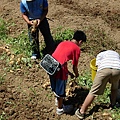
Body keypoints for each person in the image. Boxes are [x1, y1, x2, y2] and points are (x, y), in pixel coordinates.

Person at [49, 30, 87, 115]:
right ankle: (60, 109)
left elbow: (61, 58)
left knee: (55, 86)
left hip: (50, 65)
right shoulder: (76, 49)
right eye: (82, 43)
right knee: (60, 89)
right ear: (80, 41)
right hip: (59, 69)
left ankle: (58, 101)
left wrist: (69, 73)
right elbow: (74, 66)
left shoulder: (63, 42)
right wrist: (76, 75)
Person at [75, 50, 120, 119]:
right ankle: (113, 104)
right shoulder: (116, 54)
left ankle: (82, 111)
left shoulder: (100, 54)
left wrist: (100, 81)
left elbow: (96, 67)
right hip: (117, 69)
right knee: (114, 87)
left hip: (104, 69)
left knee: (93, 91)